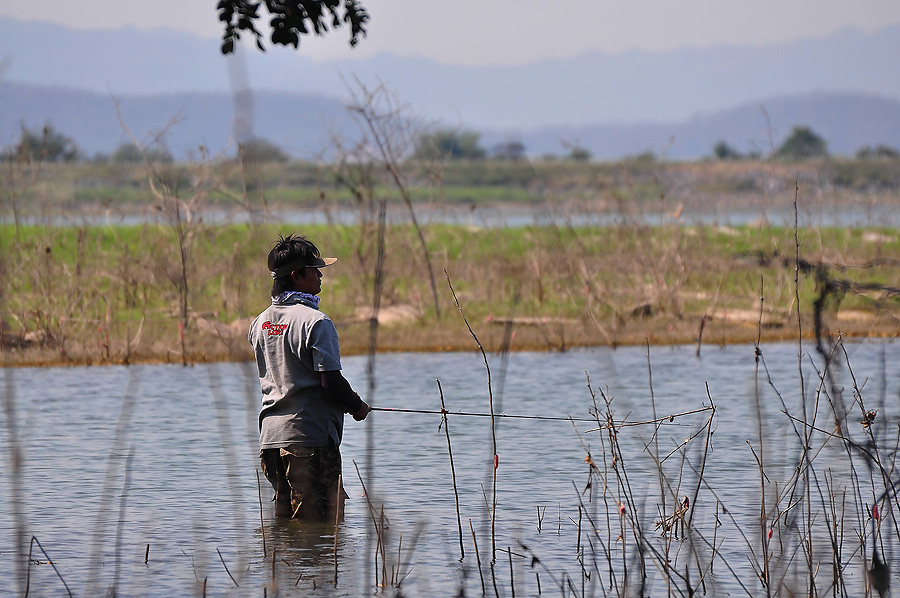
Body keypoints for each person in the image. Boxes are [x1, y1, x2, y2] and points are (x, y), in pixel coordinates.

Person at [249, 233, 370, 520]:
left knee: (285, 528)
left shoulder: (260, 322)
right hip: (309, 442)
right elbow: (331, 383)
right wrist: (356, 406)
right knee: (320, 527)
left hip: (270, 443)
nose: (320, 276)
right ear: (297, 276)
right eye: (314, 270)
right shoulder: (317, 322)